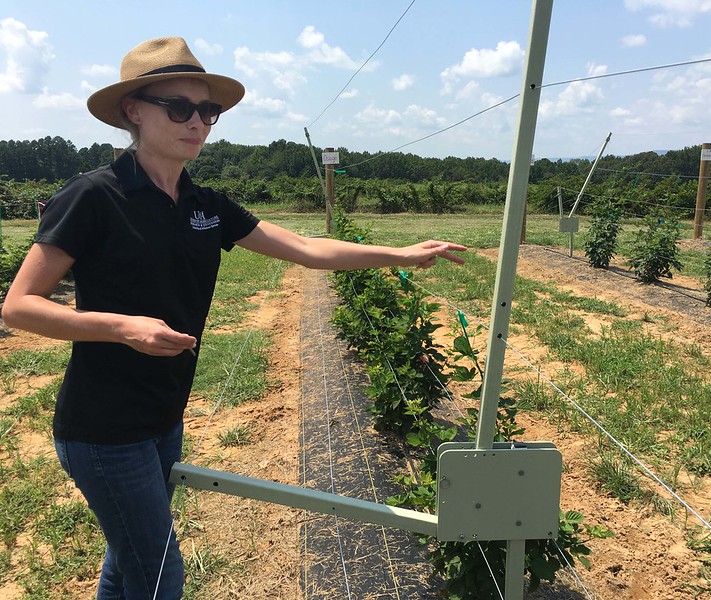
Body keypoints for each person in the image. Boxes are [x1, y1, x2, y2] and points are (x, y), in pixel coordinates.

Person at [1, 36, 466, 599]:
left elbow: (303, 247)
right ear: (133, 111)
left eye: (207, 111)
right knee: (158, 570)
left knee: (128, 562)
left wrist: (400, 255)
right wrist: (123, 326)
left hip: (162, 418)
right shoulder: (94, 197)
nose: (196, 122)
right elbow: (20, 306)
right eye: (179, 108)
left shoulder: (205, 205)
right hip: (103, 428)